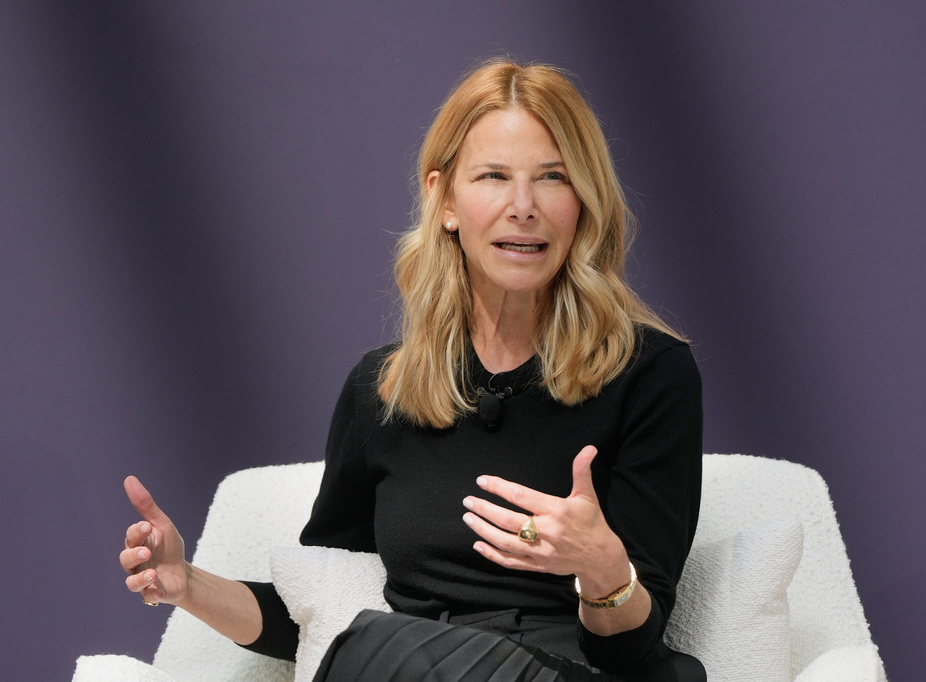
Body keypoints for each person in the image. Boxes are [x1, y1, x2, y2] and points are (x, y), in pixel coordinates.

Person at [120, 59, 705, 681]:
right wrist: (187, 585)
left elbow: (632, 652)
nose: (523, 206)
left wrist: (602, 564)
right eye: (494, 176)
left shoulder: (649, 374)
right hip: (409, 666)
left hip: (571, 670)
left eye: (553, 178)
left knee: (377, 648)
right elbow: (314, 609)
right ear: (444, 199)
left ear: (583, 203)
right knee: (370, 646)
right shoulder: (383, 394)